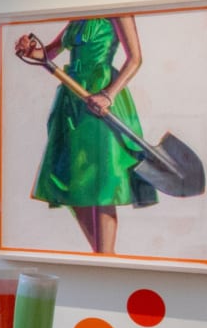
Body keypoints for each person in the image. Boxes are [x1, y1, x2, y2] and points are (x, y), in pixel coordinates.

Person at [14, 15, 152, 254]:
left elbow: (135, 59)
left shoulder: (118, 11)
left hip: (101, 94)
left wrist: (108, 95)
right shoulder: (78, 16)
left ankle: (105, 256)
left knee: (103, 182)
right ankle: (102, 257)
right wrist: (30, 50)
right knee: (74, 183)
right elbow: (49, 52)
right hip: (72, 98)